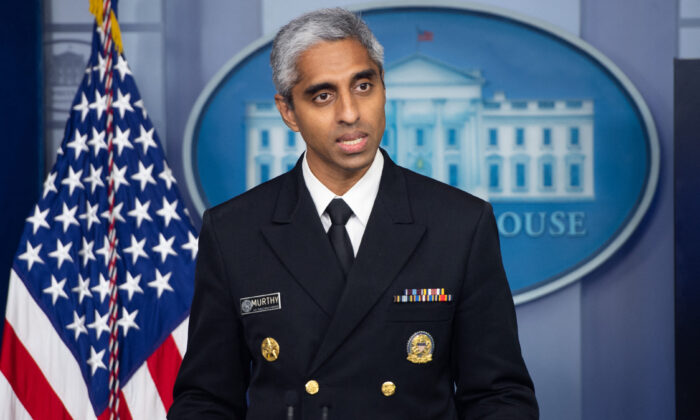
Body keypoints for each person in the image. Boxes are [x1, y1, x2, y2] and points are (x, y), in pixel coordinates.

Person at [169, 8, 538, 420]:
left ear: (383, 88)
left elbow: (500, 399)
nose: (350, 113)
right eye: (323, 95)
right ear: (288, 111)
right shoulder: (233, 231)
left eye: (363, 85)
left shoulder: (461, 224)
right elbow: (205, 401)